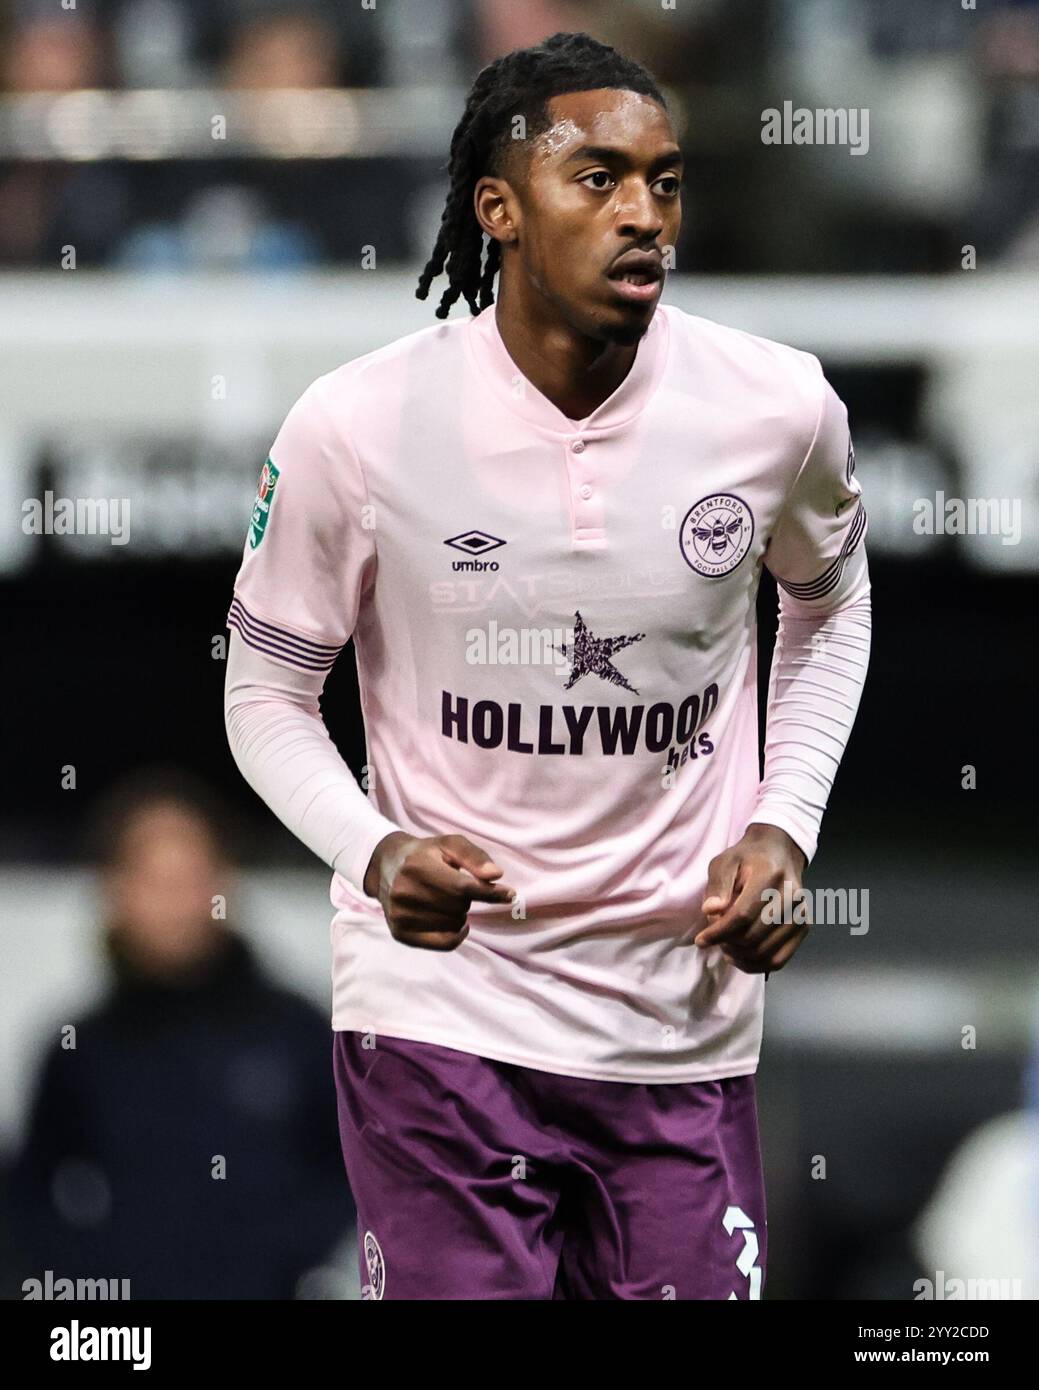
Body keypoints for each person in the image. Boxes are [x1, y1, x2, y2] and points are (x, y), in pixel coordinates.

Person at [224, 31, 871, 1300]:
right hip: (442, 1024)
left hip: (674, 1021)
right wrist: (375, 850)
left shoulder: (778, 407)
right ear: (499, 209)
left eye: (666, 181)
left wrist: (782, 827)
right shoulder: (354, 429)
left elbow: (830, 612)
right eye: (598, 178)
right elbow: (264, 693)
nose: (644, 214)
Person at [8, 768, 354, 1300]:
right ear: (115, 892)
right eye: (153, 880)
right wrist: (95, 1278)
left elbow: (350, 1170)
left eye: (189, 878)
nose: (174, 903)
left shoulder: (297, 1032)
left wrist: (282, 1259)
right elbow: (30, 1193)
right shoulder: (80, 1048)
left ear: (223, 883)